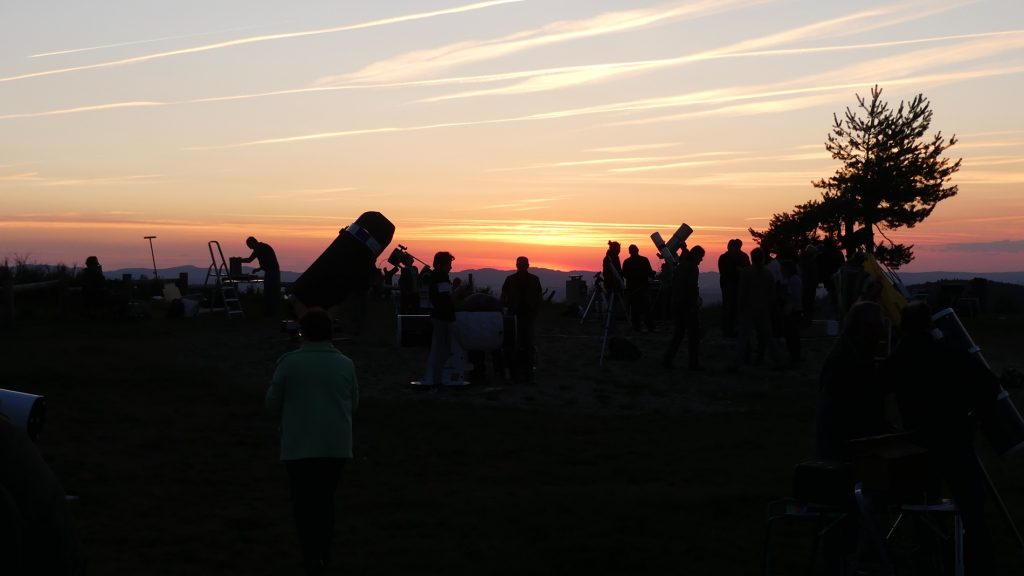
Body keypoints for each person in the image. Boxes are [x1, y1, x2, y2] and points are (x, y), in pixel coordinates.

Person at [886, 301, 1000, 574]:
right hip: (955, 442)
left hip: (919, 445)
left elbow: (873, 390)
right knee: (971, 507)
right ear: (930, 326)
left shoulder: (901, 360)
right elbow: (989, 386)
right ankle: (976, 562)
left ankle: (927, 559)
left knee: (923, 508)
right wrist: (972, 417)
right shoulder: (951, 354)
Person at [266, 308, 358, 576]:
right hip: (336, 445)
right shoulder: (346, 364)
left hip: (298, 445)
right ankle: (323, 554)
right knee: (325, 500)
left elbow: (271, 404)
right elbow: (353, 404)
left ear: (302, 333)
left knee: (303, 502)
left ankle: (310, 554)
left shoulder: (288, 363)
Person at [814, 300, 890, 461]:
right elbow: (858, 411)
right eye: (878, 328)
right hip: (844, 446)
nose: (882, 334)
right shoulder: (847, 363)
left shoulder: (854, 352)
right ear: (866, 329)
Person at [734, 247, 782, 369]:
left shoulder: (746, 273)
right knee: (768, 337)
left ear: (752, 258)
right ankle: (777, 362)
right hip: (763, 309)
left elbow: (742, 292)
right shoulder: (768, 274)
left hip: (748, 309)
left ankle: (737, 364)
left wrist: (739, 307)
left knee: (743, 338)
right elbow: (772, 293)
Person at [662, 245, 705, 371]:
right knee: (693, 336)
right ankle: (693, 364)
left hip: (677, 305)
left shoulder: (682, 266)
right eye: (701, 257)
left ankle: (667, 360)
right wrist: (693, 305)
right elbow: (690, 288)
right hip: (687, 307)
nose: (701, 260)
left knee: (678, 334)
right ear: (696, 255)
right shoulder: (692, 268)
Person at [501, 256, 543, 383]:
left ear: (516, 265)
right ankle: (526, 374)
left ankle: (518, 373)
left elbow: (503, 298)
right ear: (528, 265)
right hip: (520, 317)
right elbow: (539, 298)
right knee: (524, 345)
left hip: (520, 316)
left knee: (518, 345)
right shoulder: (534, 280)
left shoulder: (511, 280)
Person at [427, 251, 456, 386]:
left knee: (441, 349)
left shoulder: (436, 276)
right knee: (443, 350)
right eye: (449, 264)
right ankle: (437, 381)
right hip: (443, 317)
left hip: (439, 316)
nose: (451, 267)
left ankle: (437, 379)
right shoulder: (441, 276)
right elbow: (445, 297)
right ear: (444, 264)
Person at [717, 239, 750, 337]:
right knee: (729, 308)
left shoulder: (742, 256)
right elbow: (724, 271)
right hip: (729, 286)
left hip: (736, 286)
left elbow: (747, 269)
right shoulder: (724, 258)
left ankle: (732, 330)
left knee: (735, 309)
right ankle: (728, 330)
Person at [241, 236, 281, 314]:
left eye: (249, 245)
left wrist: (238, 260)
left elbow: (249, 260)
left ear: (253, 242)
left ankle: (270, 312)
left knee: (269, 292)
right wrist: (258, 269)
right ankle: (272, 312)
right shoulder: (262, 247)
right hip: (273, 271)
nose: (249, 248)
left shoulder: (258, 248)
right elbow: (268, 261)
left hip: (272, 272)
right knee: (271, 292)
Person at [622, 244, 655, 332]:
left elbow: (624, 274)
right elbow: (649, 272)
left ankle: (637, 328)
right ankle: (649, 327)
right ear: (638, 250)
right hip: (643, 288)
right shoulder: (644, 260)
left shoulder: (626, 262)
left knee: (634, 310)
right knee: (646, 309)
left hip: (632, 289)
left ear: (630, 252)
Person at [781, 259, 803, 368]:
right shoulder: (790, 279)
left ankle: (795, 358)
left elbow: (795, 297)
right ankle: (794, 357)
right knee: (791, 336)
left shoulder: (794, 280)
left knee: (793, 335)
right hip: (792, 310)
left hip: (793, 311)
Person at [602, 241, 624, 314]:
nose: (619, 250)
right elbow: (615, 271)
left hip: (612, 284)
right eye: (618, 249)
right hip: (612, 285)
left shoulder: (611, 257)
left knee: (611, 305)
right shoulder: (610, 259)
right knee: (611, 305)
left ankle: (610, 321)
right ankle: (610, 322)